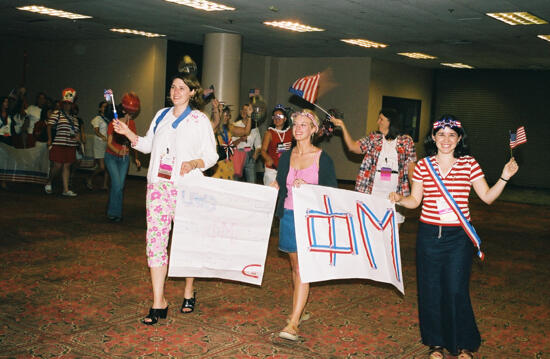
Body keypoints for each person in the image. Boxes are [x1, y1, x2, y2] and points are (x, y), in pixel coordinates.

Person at [389, 115, 519, 359]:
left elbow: (488, 197)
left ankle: (464, 344)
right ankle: (435, 343)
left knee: (456, 289)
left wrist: (504, 177)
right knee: (429, 290)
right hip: (428, 236)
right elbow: (415, 201)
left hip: (458, 237)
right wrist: (399, 199)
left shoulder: (469, 164)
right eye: (441, 134)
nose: (446, 140)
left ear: (459, 139)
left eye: (451, 135)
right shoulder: (423, 166)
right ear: (433, 138)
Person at [112, 73, 218, 325]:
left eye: (182, 88)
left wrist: (194, 162)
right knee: (156, 243)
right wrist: (128, 133)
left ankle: (189, 289)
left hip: (187, 188)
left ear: (193, 92)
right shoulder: (160, 115)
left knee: (186, 242)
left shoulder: (199, 120)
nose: (176, 91)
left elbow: (212, 156)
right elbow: (148, 145)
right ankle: (158, 301)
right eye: (173, 87)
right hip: (159, 186)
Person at [272, 109, 337, 341]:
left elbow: (331, 192)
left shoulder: (322, 158)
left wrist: (309, 189)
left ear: (313, 130)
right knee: (294, 266)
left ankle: (293, 322)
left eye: (304, 125)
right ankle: (299, 309)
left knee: (302, 269)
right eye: (295, 124)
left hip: (309, 218)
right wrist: (274, 187)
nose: (298, 128)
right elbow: (281, 183)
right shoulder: (286, 157)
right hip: (288, 215)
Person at [331, 108, 416, 226]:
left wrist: (415, 193)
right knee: (371, 229)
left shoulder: (406, 141)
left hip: (397, 193)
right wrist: (342, 126)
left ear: (390, 122)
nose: (378, 122)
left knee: (393, 233)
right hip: (373, 191)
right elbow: (352, 147)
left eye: (381, 119)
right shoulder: (373, 138)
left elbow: (411, 168)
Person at [104, 93, 141, 222]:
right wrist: (118, 151)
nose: (131, 115)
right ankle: (114, 213)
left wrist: (136, 157)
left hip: (124, 159)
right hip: (111, 157)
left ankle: (114, 211)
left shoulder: (132, 124)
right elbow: (108, 143)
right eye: (129, 112)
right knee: (117, 185)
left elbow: (134, 141)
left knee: (119, 185)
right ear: (124, 110)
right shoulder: (114, 123)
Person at [44, 88, 80, 197]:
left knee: (67, 167)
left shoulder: (74, 119)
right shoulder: (57, 114)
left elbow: (76, 132)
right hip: (59, 143)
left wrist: (77, 139)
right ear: (62, 104)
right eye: (65, 103)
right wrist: (49, 139)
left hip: (71, 145)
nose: (67, 105)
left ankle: (65, 189)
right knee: (57, 166)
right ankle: (49, 182)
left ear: (72, 105)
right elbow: (49, 126)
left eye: (69, 104)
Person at [211, 103, 252, 180]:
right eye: (226, 115)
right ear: (220, 114)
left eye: (229, 115)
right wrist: (216, 109)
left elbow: (246, 131)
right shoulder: (213, 129)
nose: (228, 118)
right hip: (217, 167)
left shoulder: (229, 128)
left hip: (229, 166)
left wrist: (249, 116)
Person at [261, 104, 292, 185]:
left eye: (280, 116)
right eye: (275, 116)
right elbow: (263, 150)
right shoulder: (269, 133)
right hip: (272, 170)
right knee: (270, 195)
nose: (277, 118)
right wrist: (267, 158)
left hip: (286, 170)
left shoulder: (290, 132)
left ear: (285, 119)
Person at [232, 104, 262, 183]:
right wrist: (240, 140)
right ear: (241, 112)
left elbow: (258, 146)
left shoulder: (255, 127)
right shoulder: (235, 125)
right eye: (243, 110)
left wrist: (254, 158)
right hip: (238, 155)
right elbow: (230, 145)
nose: (245, 112)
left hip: (250, 156)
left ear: (251, 113)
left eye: (247, 110)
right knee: (235, 182)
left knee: (252, 182)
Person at [87, 100, 110, 190]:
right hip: (99, 143)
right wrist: (103, 136)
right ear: (100, 108)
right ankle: (89, 178)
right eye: (104, 107)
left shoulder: (109, 119)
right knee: (102, 167)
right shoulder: (97, 119)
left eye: (106, 107)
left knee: (107, 166)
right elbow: (96, 131)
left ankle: (104, 185)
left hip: (107, 143)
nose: (105, 108)